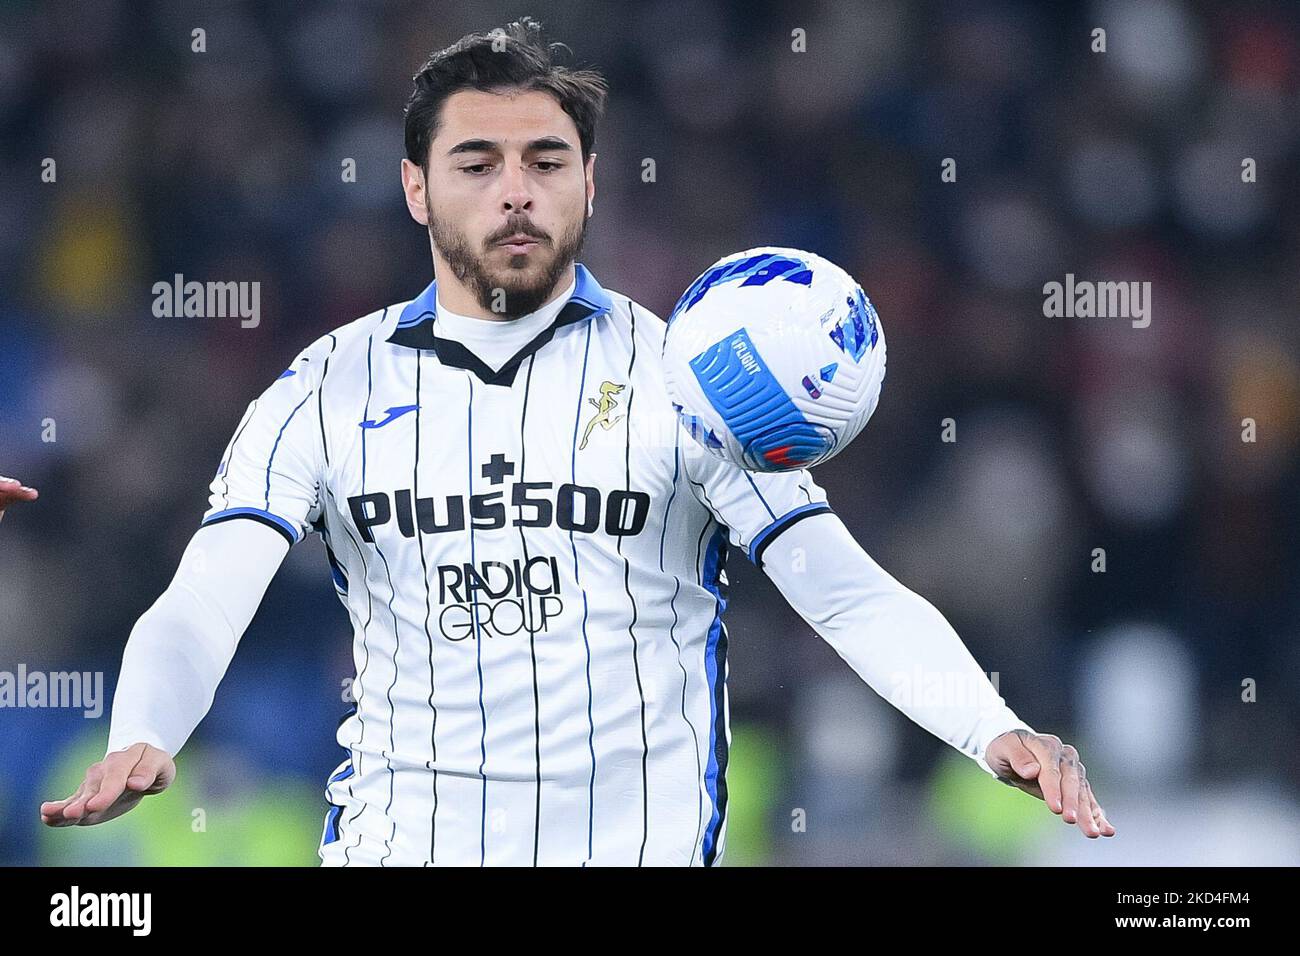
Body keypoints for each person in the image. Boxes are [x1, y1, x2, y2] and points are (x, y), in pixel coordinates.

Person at [40, 17, 1114, 864]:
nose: (515, 188)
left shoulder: (692, 382)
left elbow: (845, 592)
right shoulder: (322, 387)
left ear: (591, 183)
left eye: (546, 160)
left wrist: (990, 726)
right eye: (476, 161)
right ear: (415, 186)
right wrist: (145, 725)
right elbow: (206, 592)